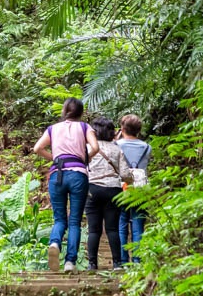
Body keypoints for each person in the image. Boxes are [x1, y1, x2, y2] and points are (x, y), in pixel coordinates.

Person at [32, 98, 99, 272]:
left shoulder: (53, 129)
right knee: (75, 220)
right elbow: (95, 147)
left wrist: (54, 159)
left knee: (59, 218)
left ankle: (55, 243)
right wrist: (85, 158)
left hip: (57, 175)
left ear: (64, 111)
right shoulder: (85, 127)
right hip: (78, 175)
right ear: (81, 112)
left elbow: (37, 148)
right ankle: (70, 262)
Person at [85, 117, 133, 271]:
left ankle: (92, 264)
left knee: (93, 229)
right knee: (112, 229)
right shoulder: (116, 149)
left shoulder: (87, 148)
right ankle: (117, 263)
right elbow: (125, 174)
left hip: (92, 189)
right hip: (113, 190)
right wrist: (130, 180)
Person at [116, 114, 151, 265]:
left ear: (122, 128)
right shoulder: (147, 147)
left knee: (121, 222)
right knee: (138, 223)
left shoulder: (117, 145)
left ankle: (123, 259)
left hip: (122, 186)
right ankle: (137, 259)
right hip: (140, 187)